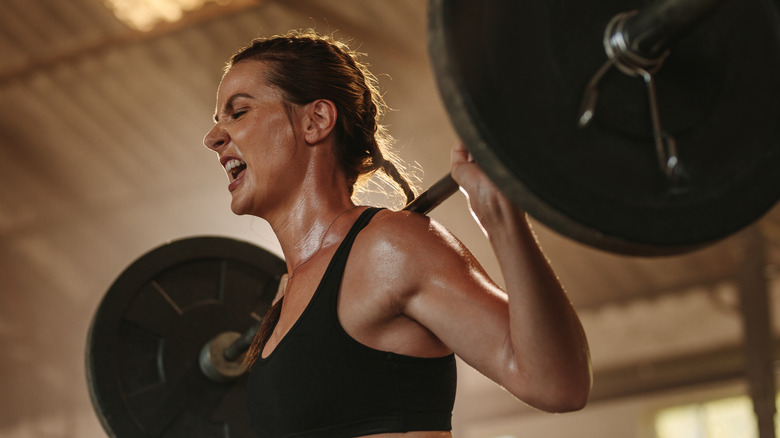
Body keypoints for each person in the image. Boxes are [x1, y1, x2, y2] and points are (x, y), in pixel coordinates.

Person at [203, 30, 591, 438]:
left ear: (315, 121)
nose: (213, 138)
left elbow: (558, 384)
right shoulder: (285, 298)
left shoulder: (388, 249)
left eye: (238, 112)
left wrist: (500, 216)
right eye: (218, 121)